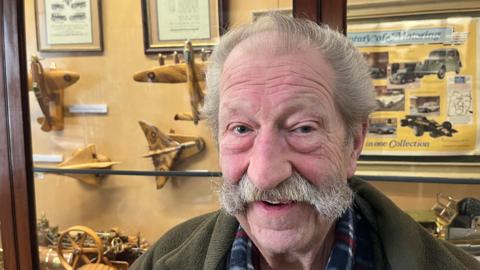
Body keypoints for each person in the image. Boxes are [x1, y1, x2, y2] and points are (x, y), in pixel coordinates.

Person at [130, 13, 480, 270]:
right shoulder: (164, 261)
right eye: (241, 129)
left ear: (353, 143)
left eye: (302, 129)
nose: (266, 174)